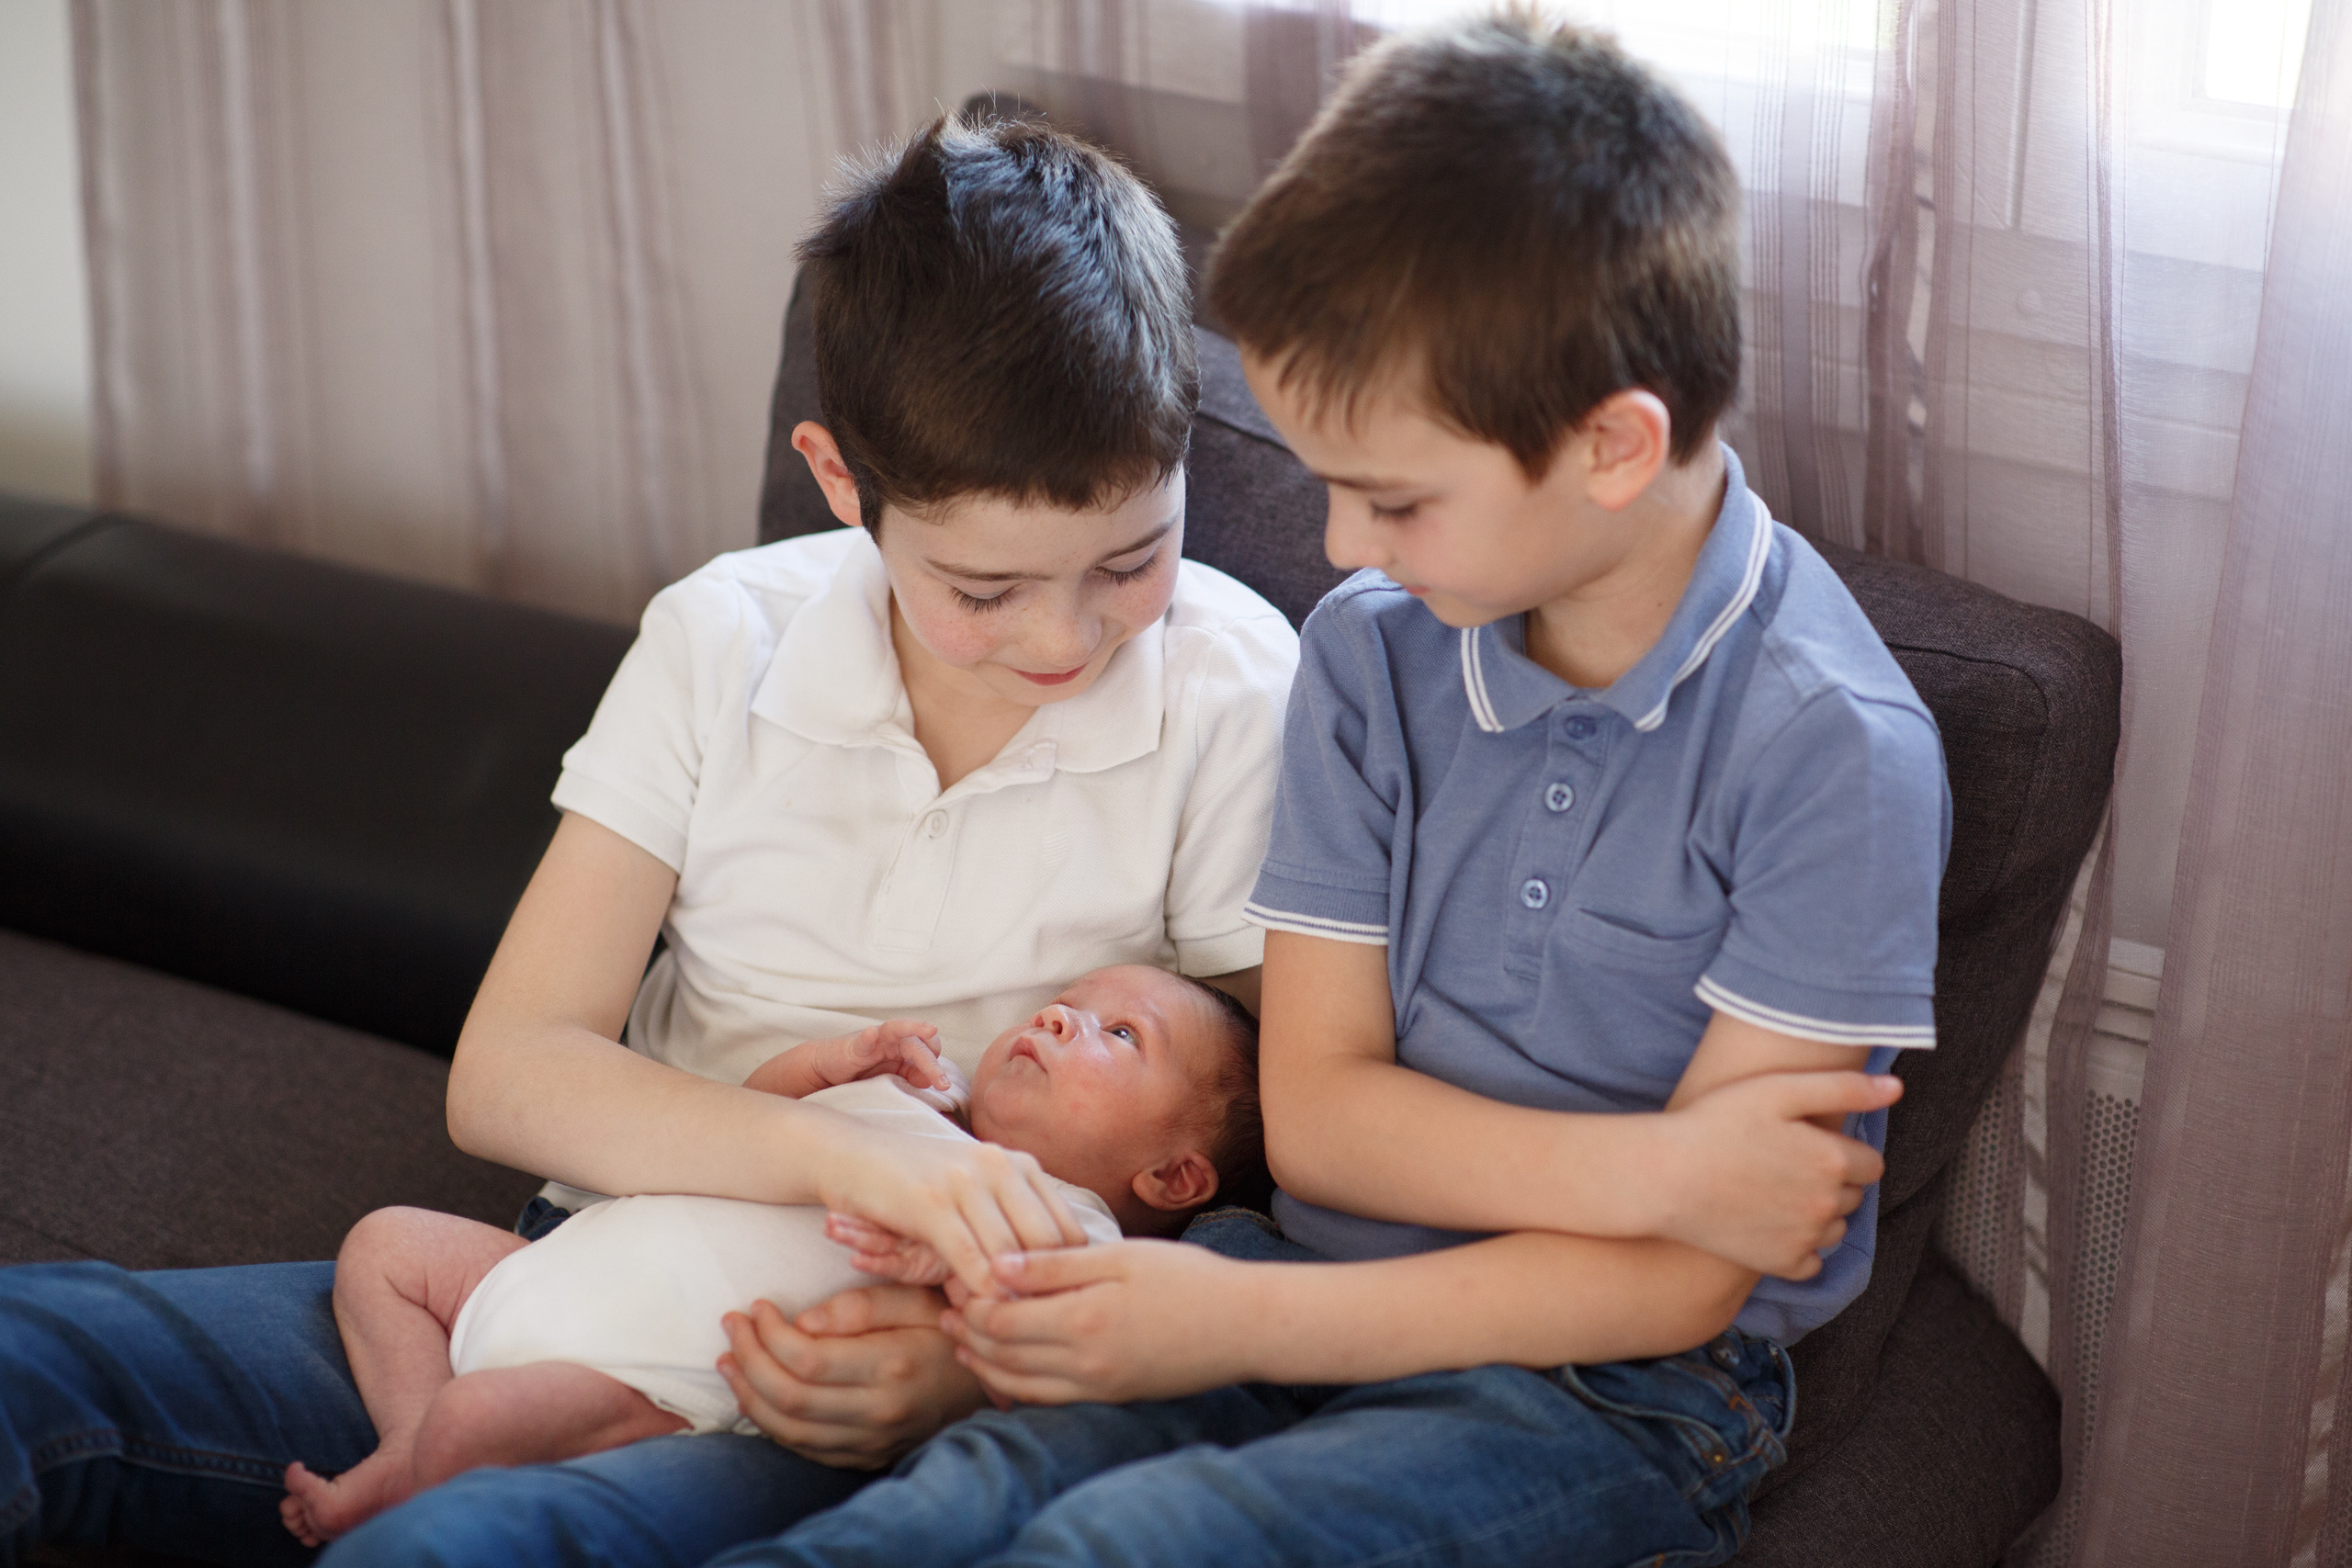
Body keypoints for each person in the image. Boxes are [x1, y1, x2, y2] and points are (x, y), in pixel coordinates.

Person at [712, 14, 1949, 1568]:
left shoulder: (1836, 757)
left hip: (1606, 1381)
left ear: (1615, 447)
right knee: (930, 1513)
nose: (1344, 549)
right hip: (1284, 1262)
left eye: (1394, 497)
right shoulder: (1378, 655)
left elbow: (1697, 1269)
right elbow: (1321, 1120)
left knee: (1131, 1542)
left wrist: (1242, 1312)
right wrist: (1655, 1169)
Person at [0, 115, 1299, 1568]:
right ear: (836, 475)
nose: (1067, 636)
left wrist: (974, 1368)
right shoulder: (721, 636)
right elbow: (510, 1074)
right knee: (30, 1355)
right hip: (583, 1265)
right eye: (985, 588)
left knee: (468, 1544)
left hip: (829, 1374)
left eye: (1132, 558)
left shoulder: (1232, 689)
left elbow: (1257, 1152)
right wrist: (839, 1156)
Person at [277, 966, 1263, 1547]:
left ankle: (445, 1453)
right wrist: (826, 1071)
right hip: (551, 1265)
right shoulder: (914, 1107)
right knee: (387, 1247)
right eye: (1063, 1001)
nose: (1058, 1017)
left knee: (474, 1425)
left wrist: (942, 1266)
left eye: (1118, 1033)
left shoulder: (1070, 1218)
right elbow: (748, 1120)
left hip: (643, 1372)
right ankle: (401, 1442)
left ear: (1172, 1180)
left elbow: (1045, 1325)